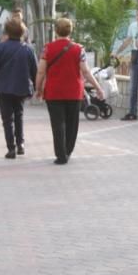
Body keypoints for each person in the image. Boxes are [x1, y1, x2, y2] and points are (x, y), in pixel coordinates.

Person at [34, 18, 106, 165]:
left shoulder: (48, 48)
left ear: (55, 31)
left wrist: (38, 89)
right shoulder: (79, 49)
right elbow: (86, 71)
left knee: (58, 123)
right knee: (72, 124)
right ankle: (68, 150)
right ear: (70, 31)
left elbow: (41, 71)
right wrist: (98, 88)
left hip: (53, 93)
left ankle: (61, 155)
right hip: (74, 92)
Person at [0, 18, 37, 159]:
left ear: (7, 31)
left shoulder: (0, 47)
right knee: (19, 114)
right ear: (22, 32)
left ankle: (11, 148)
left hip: (4, 88)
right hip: (21, 88)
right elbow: (35, 71)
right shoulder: (28, 49)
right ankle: (21, 144)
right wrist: (37, 87)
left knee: (7, 119)